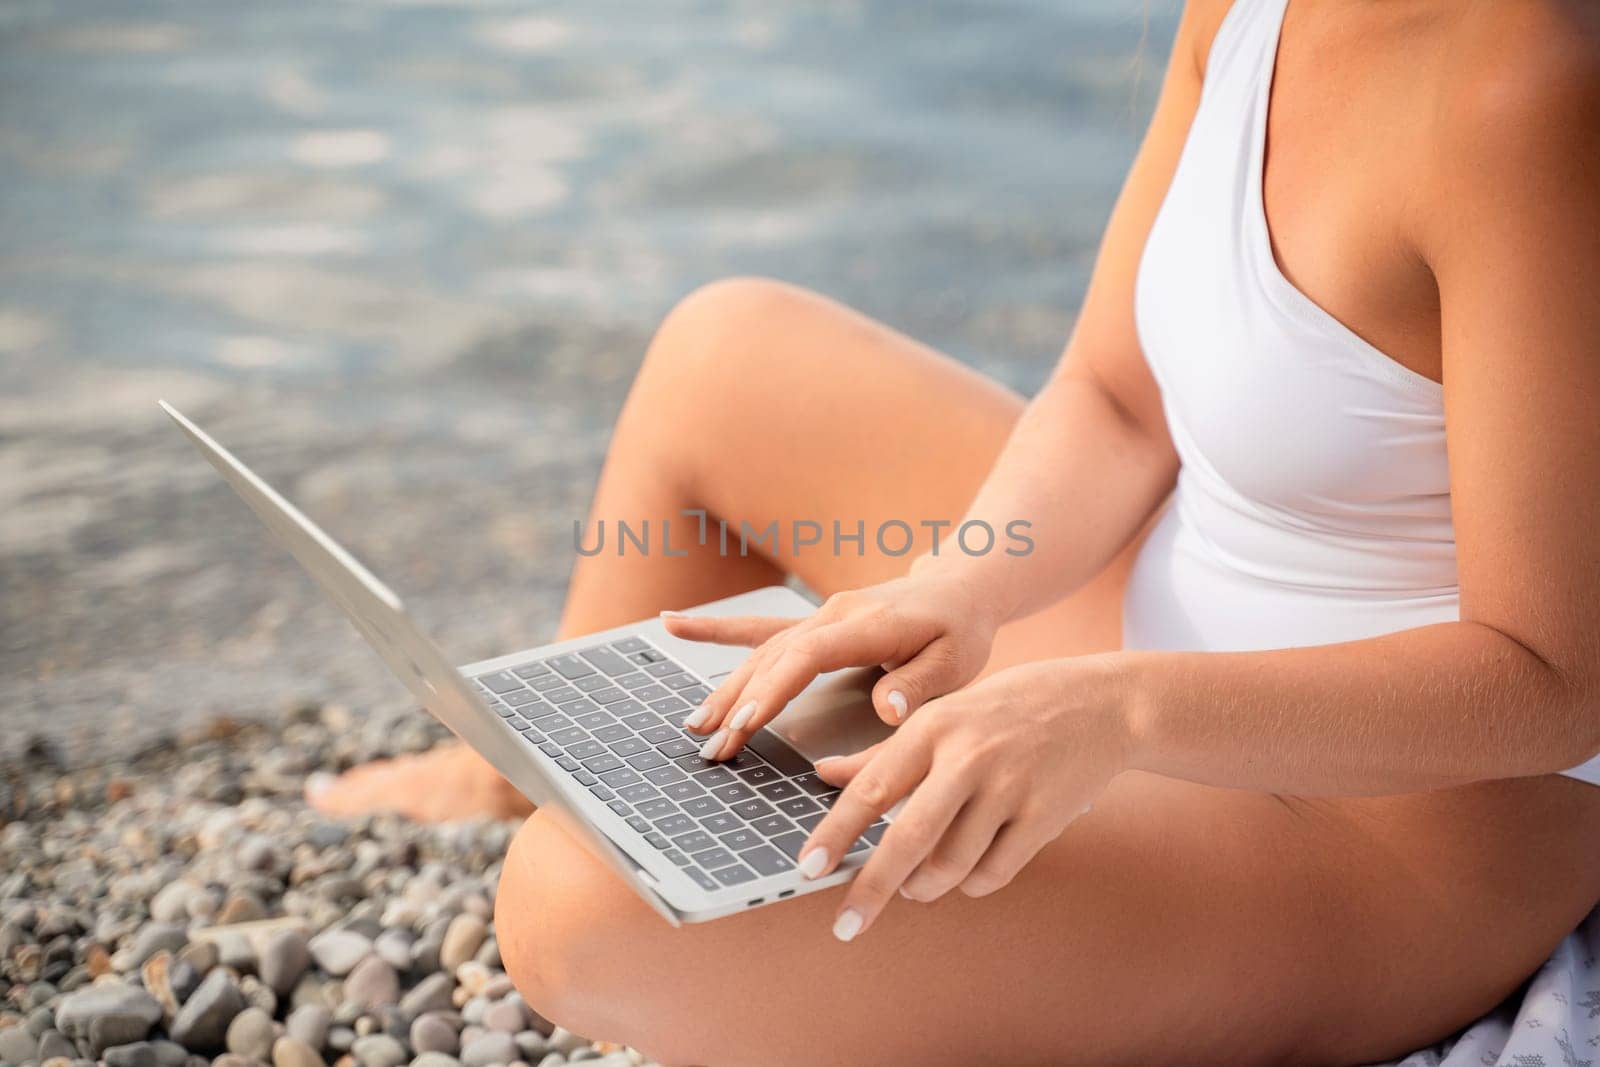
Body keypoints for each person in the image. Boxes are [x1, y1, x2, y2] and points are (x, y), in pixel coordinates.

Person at [309, 0, 1600, 1062]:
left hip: (1401, 821)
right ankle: (511, 770)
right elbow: (1111, 398)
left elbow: (1555, 688)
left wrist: (1121, 713)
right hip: (1164, 598)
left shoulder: (1532, 84)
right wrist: (960, 587)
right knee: (727, 352)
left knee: (573, 909)